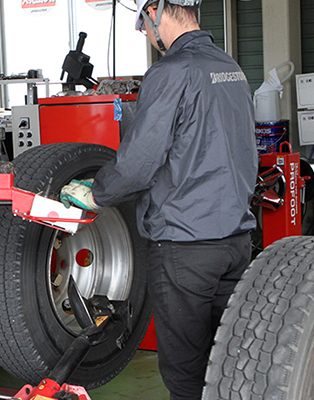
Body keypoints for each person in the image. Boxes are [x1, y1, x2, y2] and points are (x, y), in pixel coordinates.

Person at [60, 0, 257, 399]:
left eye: (140, 21)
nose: (141, 31)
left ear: (156, 10)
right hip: (237, 243)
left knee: (186, 370)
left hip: (185, 250)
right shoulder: (230, 68)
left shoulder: (170, 72)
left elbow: (139, 163)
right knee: (232, 361)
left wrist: (97, 193)